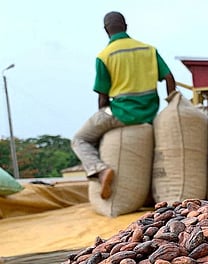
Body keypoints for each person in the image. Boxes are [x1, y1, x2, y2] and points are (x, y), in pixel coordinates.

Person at [71, 11, 176, 199]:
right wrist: (171, 105)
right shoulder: (148, 49)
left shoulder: (104, 56)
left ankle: (100, 169)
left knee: (80, 139)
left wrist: (102, 120)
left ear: (106, 30)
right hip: (149, 113)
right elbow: (169, 78)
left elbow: (103, 99)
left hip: (119, 113)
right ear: (126, 26)